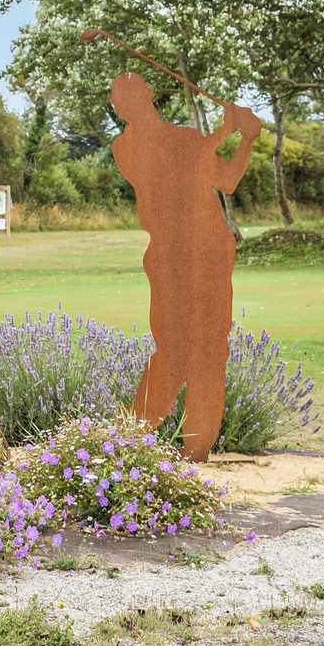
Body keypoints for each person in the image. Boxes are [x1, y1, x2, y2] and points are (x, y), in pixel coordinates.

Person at [109, 73, 262, 462]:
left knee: (211, 347)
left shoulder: (190, 139)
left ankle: (197, 446)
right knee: (173, 348)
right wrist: (228, 127)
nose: (122, 103)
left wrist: (246, 139)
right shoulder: (125, 147)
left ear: (148, 96)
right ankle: (130, 433)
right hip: (168, 254)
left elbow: (226, 181)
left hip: (210, 249)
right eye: (117, 99)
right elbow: (174, 166)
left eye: (129, 95)